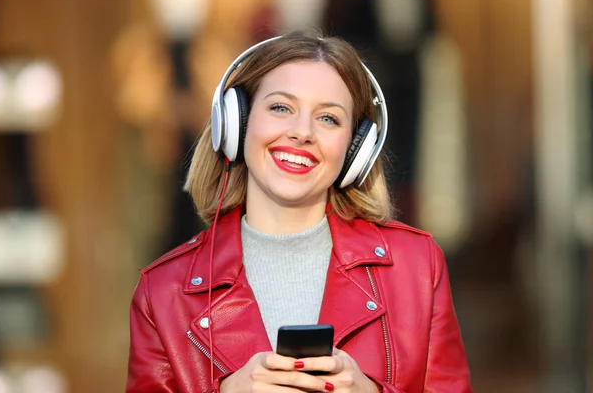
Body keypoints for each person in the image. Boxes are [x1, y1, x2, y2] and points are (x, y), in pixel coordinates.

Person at [126, 30, 472, 393]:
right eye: (280, 108)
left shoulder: (417, 267)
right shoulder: (163, 293)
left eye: (328, 119)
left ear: (356, 150)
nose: (302, 132)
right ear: (237, 124)